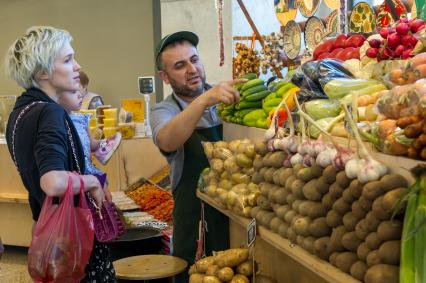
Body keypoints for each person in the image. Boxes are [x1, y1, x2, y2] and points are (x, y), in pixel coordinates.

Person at [5, 26, 116, 282]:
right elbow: (52, 181)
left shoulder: (20, 112)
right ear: (42, 72)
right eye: (67, 60)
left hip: (51, 233)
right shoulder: (49, 112)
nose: (77, 66)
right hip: (76, 236)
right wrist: (91, 182)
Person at [150, 30, 244, 282]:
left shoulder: (225, 98)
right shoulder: (164, 110)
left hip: (238, 215)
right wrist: (203, 101)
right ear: (165, 77)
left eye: (194, 59)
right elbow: (167, 139)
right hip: (196, 224)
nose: (192, 69)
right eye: (180, 65)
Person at [57, 90, 122, 178]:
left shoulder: (82, 118)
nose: (80, 95)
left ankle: (101, 154)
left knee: (103, 186)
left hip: (91, 170)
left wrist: (103, 142)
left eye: (78, 91)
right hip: (75, 175)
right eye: (73, 92)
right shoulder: (57, 122)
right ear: (57, 97)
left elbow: (92, 145)